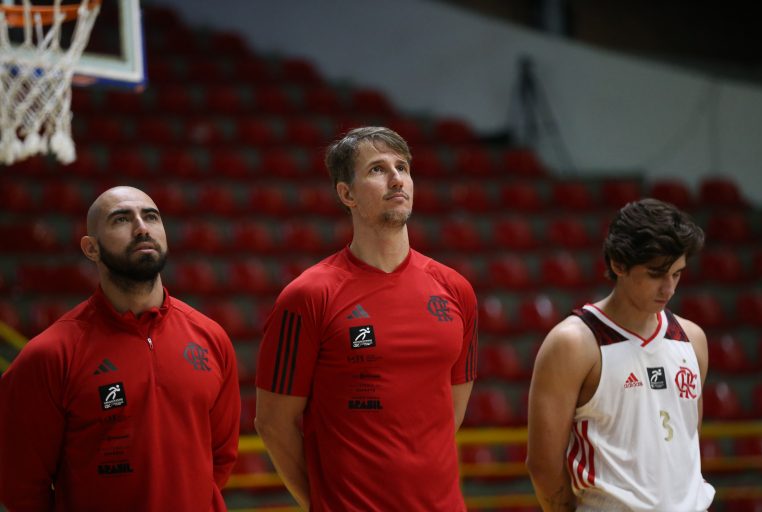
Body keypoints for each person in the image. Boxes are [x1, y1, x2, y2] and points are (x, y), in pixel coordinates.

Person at [254, 126, 478, 511]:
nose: (396, 179)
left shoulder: (456, 290)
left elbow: (447, 415)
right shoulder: (307, 296)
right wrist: (324, 503)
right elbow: (273, 424)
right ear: (347, 194)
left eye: (402, 167)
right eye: (377, 169)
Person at [0, 186, 241, 511]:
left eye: (151, 217)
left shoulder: (211, 337)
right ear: (91, 248)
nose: (141, 228)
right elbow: (21, 487)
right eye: (121, 219)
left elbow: (220, 458)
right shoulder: (49, 354)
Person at [526, 198, 715, 511]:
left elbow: (686, 443)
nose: (669, 289)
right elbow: (543, 466)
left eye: (677, 274)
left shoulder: (692, 339)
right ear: (618, 264)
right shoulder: (573, 343)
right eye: (656, 274)